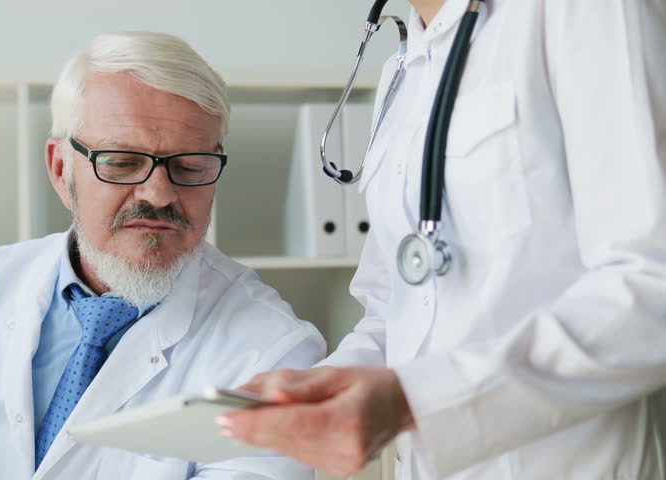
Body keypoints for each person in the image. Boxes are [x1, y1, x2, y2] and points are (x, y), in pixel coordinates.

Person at [0, 31, 326, 480]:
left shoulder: (272, 352)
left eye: (191, 166)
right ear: (61, 169)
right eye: (122, 162)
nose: (160, 194)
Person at [220, 1, 666, 479]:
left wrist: (415, 401)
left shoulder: (582, 12)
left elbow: (651, 281)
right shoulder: (402, 67)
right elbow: (395, 305)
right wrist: (326, 382)